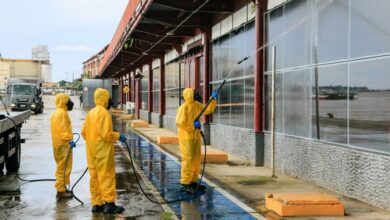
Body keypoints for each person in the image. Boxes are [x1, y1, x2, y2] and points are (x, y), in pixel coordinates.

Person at [81, 88, 127, 214]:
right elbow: (106, 135)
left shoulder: (91, 113)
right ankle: (109, 204)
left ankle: (97, 204)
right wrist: (118, 136)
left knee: (94, 177)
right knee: (106, 176)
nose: (110, 100)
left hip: (91, 151)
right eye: (108, 97)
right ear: (104, 99)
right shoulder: (104, 113)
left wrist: (92, 141)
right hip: (103, 151)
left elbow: (84, 132)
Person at [176, 88, 218, 194]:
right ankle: (185, 183)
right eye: (194, 93)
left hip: (196, 136)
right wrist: (192, 126)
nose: (196, 94)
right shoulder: (183, 108)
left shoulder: (197, 105)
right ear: (189, 95)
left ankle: (193, 181)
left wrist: (213, 99)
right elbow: (180, 123)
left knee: (196, 159)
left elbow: (207, 110)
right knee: (188, 159)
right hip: (186, 137)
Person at [50, 93, 76, 199]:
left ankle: (62, 188)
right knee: (63, 168)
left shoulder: (57, 113)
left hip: (59, 144)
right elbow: (62, 130)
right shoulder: (61, 114)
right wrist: (69, 140)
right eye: (68, 101)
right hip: (63, 145)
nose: (70, 103)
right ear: (63, 102)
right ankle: (61, 191)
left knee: (62, 167)